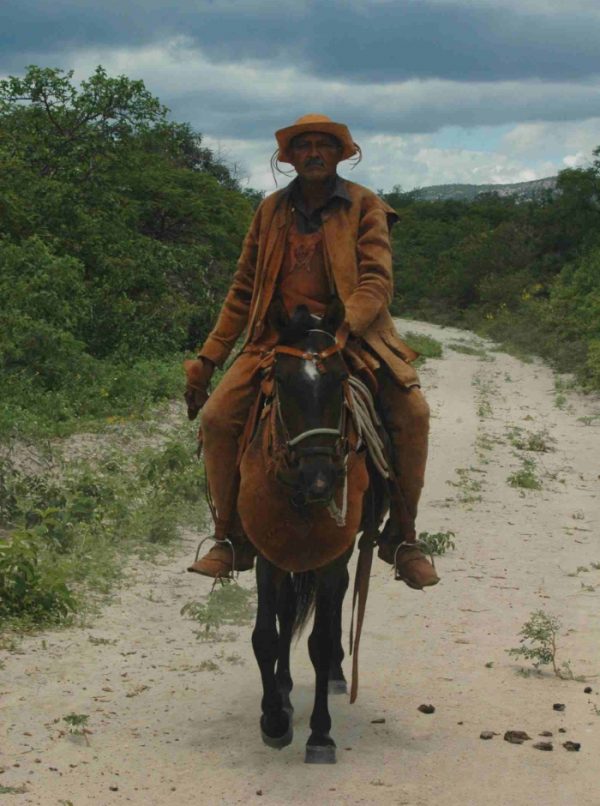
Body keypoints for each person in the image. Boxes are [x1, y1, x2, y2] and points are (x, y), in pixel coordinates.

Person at [184, 114, 439, 590]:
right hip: (275, 339)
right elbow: (243, 288)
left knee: (413, 414)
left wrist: (346, 325)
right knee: (217, 419)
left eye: (325, 145)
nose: (315, 153)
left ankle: (403, 538)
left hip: (351, 338)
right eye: (305, 146)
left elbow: (376, 280)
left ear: (341, 154)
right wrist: (209, 358)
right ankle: (229, 537)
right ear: (290, 157)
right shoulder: (270, 211)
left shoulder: (364, 205)